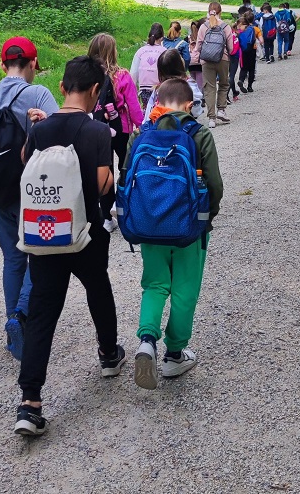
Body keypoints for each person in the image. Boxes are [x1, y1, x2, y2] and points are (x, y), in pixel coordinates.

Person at [15, 55, 125, 437]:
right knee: (98, 290)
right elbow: (102, 185)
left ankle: (30, 403)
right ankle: (108, 354)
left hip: (46, 236)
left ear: (61, 88)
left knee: (43, 312)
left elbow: (26, 165)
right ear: (95, 90)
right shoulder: (97, 132)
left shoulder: (40, 130)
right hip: (85, 235)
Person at [130, 77, 223, 390]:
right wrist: (209, 217)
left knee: (155, 284)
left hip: (149, 225)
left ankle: (146, 341)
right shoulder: (199, 134)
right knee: (185, 289)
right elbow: (214, 183)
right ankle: (173, 354)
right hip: (188, 228)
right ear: (189, 105)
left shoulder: (142, 134)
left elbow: (128, 177)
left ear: (157, 102)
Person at [0, 37, 59, 360]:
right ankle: (21, 316)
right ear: (34, 63)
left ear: (2, 65)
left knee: (12, 258)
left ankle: (14, 334)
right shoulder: (38, 94)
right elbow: (58, 140)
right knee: (39, 254)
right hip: (32, 191)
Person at [88, 33, 143, 233]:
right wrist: (142, 126)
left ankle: (106, 217)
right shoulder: (122, 75)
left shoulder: (88, 77)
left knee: (104, 169)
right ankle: (121, 204)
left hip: (97, 129)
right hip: (121, 129)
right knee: (125, 166)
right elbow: (134, 106)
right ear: (112, 52)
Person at [194, 3, 234, 128]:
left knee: (209, 88)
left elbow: (198, 47)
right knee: (223, 84)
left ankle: (212, 118)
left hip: (206, 61)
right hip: (222, 59)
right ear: (220, 12)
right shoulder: (225, 27)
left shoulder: (203, 27)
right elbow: (231, 48)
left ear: (208, 11)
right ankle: (221, 110)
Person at [143, 49, 204, 121]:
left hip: (161, 126)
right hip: (184, 125)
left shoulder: (158, 90)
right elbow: (197, 111)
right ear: (179, 64)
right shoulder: (188, 86)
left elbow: (148, 114)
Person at [130, 23, 166, 110]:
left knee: (147, 110)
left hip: (143, 88)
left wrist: (133, 91)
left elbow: (133, 73)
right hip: (159, 88)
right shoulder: (164, 52)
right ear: (162, 37)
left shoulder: (140, 51)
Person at [237, 17, 258, 94]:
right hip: (252, 50)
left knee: (243, 68)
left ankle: (241, 80)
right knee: (251, 69)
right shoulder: (252, 29)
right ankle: (250, 86)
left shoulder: (239, 32)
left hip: (243, 51)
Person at [188, 18, 206, 97]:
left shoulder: (187, 38)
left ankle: (193, 97)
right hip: (199, 64)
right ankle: (201, 98)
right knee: (200, 84)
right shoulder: (202, 38)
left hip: (190, 64)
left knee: (192, 83)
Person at [227, 23, 241, 103]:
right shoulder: (235, 36)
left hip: (226, 57)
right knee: (231, 76)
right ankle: (226, 95)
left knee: (229, 76)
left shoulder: (226, 35)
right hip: (234, 57)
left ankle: (234, 92)